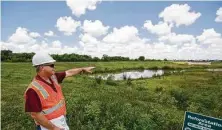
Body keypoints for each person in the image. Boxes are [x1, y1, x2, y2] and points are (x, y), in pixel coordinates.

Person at [24, 52, 95, 130]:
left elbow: (68, 72)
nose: (54, 67)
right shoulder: (32, 90)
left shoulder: (53, 77)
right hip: (48, 126)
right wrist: (54, 128)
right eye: (51, 65)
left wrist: (82, 69)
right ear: (42, 68)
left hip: (61, 119)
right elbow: (36, 115)